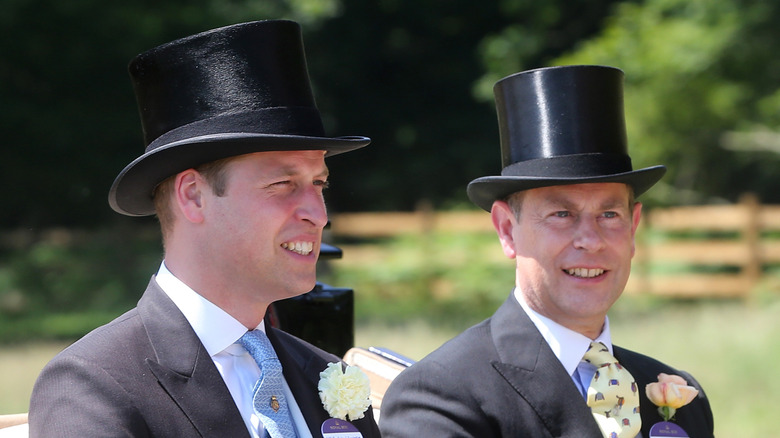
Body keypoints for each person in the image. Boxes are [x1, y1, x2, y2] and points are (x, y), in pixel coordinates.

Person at [29, 20, 380, 438]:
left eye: (318, 183)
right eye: (282, 183)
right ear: (193, 195)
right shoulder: (96, 385)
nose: (318, 214)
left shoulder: (326, 374)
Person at [379, 65, 714, 437]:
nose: (591, 239)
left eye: (609, 214)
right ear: (508, 230)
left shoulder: (679, 397)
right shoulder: (441, 397)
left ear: (634, 228)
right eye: (561, 214)